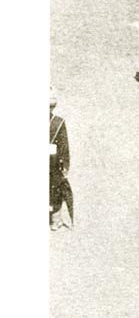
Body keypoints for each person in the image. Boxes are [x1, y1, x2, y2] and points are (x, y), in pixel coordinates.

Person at [50, 91, 72, 230]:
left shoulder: (58, 123)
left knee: (54, 189)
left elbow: (63, 145)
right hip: (52, 161)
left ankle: (55, 218)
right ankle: (55, 219)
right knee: (55, 189)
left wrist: (64, 163)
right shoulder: (58, 122)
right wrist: (65, 164)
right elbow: (64, 146)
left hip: (52, 161)